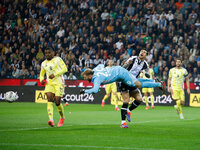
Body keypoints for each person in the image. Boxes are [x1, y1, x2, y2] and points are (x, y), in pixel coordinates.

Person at [81, 63, 165, 128]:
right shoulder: (96, 69)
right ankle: (153, 80)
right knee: (136, 82)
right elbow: (101, 65)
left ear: (90, 75)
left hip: (121, 75)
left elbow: (95, 90)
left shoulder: (96, 79)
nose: (85, 79)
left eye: (85, 77)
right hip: (119, 70)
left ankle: (158, 84)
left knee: (137, 85)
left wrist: (85, 91)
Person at [119, 50, 165, 128]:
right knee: (126, 101)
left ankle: (128, 111)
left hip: (134, 82)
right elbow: (122, 68)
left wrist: (146, 73)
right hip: (125, 81)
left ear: (146, 56)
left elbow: (148, 74)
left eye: (144, 52)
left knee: (139, 99)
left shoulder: (145, 64)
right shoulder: (133, 58)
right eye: (141, 51)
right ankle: (123, 123)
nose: (142, 53)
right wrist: (127, 64)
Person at [40, 47, 68, 127]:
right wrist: (41, 80)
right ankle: (51, 120)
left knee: (57, 102)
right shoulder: (43, 63)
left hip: (58, 82)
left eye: (49, 53)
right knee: (49, 99)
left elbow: (65, 69)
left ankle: (62, 117)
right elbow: (41, 74)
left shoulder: (58, 59)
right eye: (46, 53)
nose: (47, 54)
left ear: (53, 53)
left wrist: (55, 74)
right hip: (49, 83)